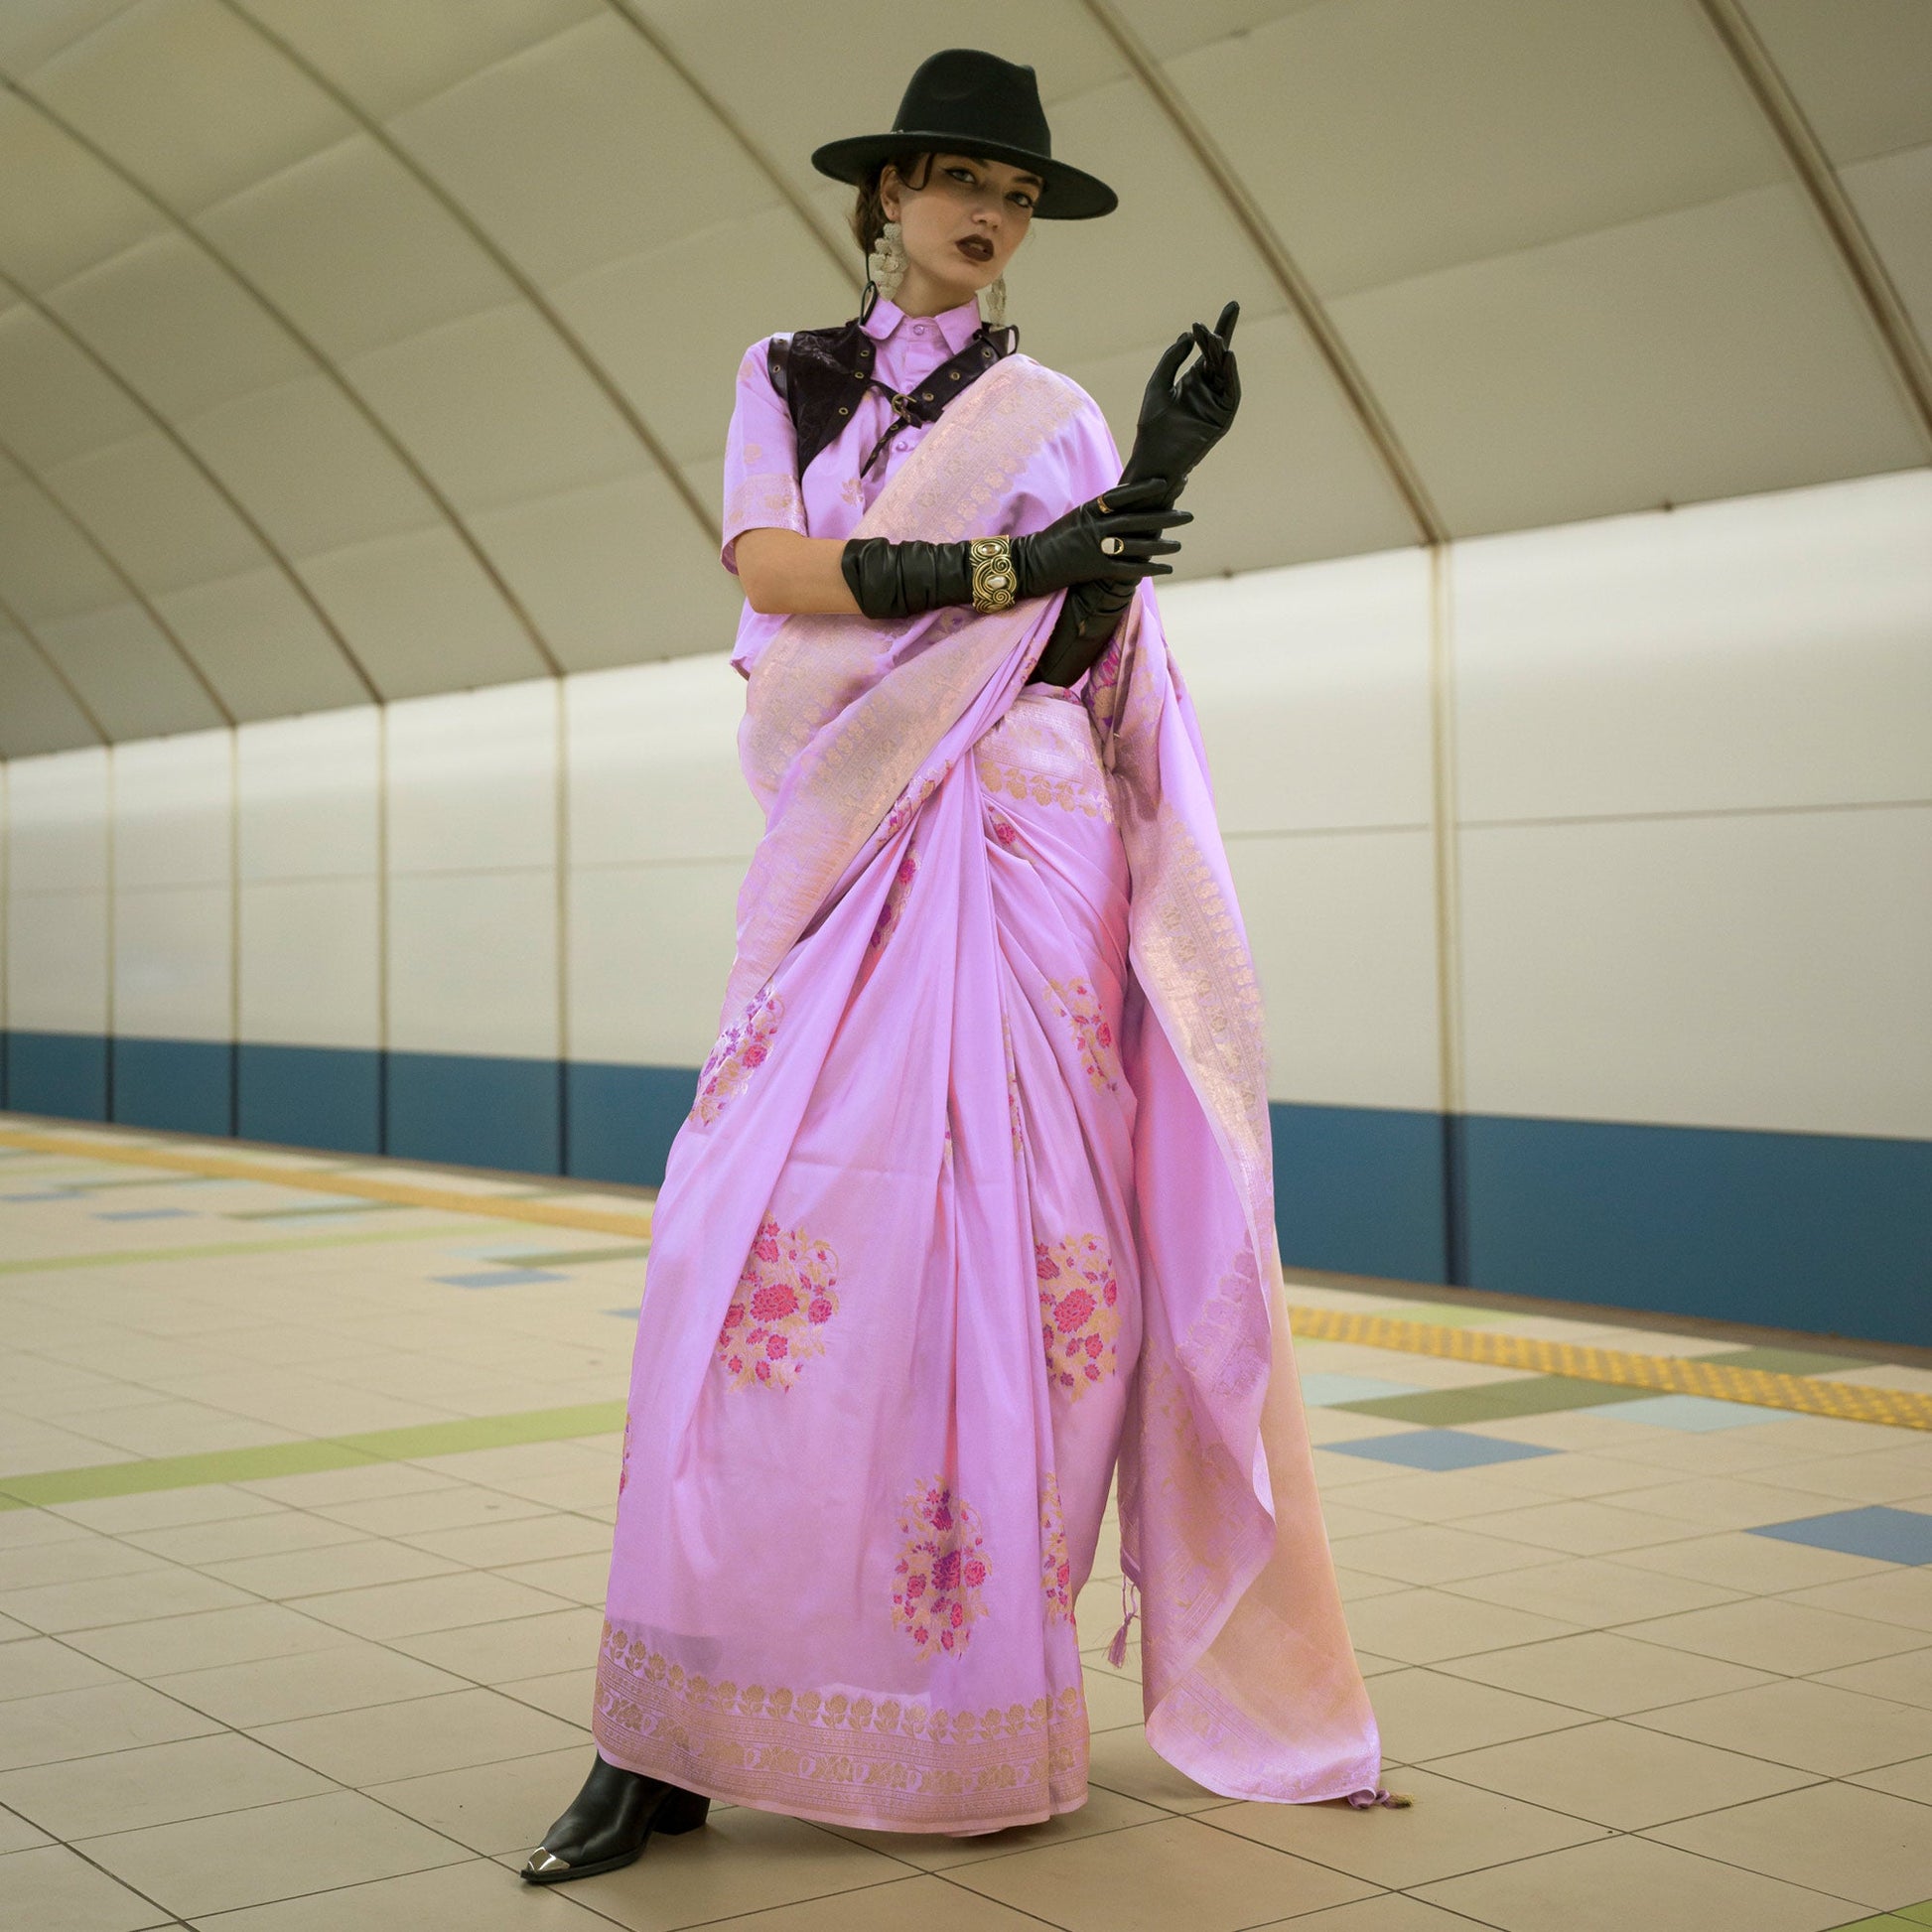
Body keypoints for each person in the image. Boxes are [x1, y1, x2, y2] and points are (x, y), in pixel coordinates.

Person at [522, 48, 1389, 1886]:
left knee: (1039, 1292)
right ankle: (660, 1733)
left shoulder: (1061, 409)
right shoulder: (782, 376)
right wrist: (1004, 571)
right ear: (884, 196)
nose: (985, 214)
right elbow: (773, 567)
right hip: (855, 854)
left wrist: (1150, 475)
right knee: (743, 1257)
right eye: (953, 181)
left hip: (1033, 853)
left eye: (1012, 189)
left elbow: (1090, 648)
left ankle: (969, 1699)